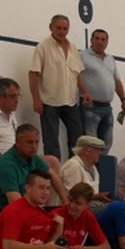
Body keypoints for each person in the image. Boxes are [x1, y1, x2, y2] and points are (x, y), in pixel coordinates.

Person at [0, 125, 67, 228]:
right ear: (17, 143)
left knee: (70, 216)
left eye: (37, 142)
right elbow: (15, 202)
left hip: (25, 207)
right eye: (29, 142)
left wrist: (66, 203)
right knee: (47, 220)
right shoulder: (6, 164)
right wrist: (43, 214)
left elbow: (54, 176)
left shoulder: (33, 158)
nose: (34, 146)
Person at [27, 14, 85, 160]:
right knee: (51, 140)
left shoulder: (73, 48)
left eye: (65, 28)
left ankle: (75, 170)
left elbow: (77, 73)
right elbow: (33, 74)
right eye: (58, 28)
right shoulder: (42, 47)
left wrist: (85, 92)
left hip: (71, 102)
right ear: (51, 27)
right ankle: (53, 175)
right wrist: (36, 100)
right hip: (49, 102)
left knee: (77, 138)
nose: (62, 31)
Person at [79, 28, 125, 149]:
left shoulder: (110, 59)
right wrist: (84, 93)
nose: (100, 41)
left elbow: (117, 81)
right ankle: (90, 167)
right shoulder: (82, 55)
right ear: (91, 40)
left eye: (103, 39)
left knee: (106, 143)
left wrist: (123, 100)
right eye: (97, 38)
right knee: (90, 144)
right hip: (90, 107)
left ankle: (101, 167)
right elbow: (77, 76)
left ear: (107, 42)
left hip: (107, 107)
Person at [59, 135, 108, 203]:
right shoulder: (73, 166)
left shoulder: (93, 168)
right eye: (98, 149)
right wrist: (96, 197)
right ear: (86, 151)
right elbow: (72, 196)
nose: (100, 153)